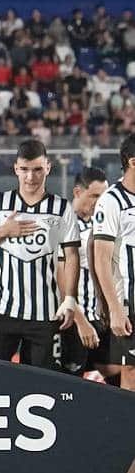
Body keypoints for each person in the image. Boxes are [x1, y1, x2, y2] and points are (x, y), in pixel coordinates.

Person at [0, 139, 81, 369]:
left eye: (38, 169)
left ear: (48, 168)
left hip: (46, 314)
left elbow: (71, 255)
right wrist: (4, 231)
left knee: (43, 385)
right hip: (4, 310)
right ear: (16, 169)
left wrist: (69, 298)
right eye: (25, 170)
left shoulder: (62, 208)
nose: (31, 177)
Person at [92, 138, 135, 389]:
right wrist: (115, 308)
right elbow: (101, 259)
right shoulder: (111, 201)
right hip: (129, 300)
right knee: (130, 369)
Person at [62, 168, 111, 380]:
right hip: (73, 323)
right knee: (69, 386)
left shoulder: (103, 225)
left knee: (123, 373)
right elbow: (57, 281)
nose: (100, 202)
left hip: (101, 321)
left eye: (104, 196)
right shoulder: (62, 227)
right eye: (94, 196)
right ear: (77, 192)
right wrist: (81, 322)